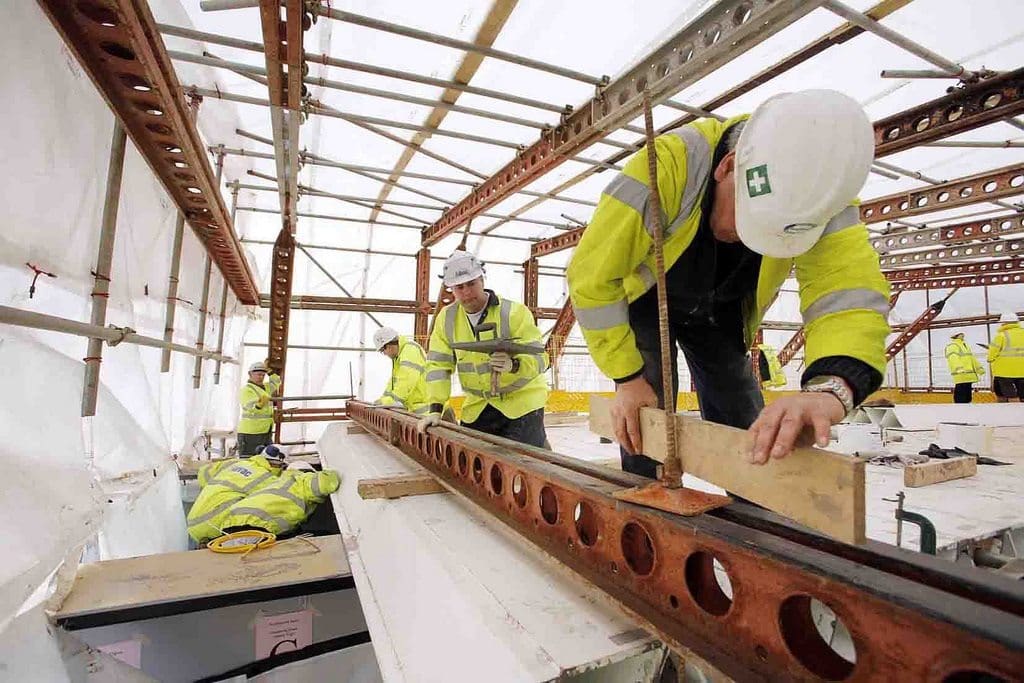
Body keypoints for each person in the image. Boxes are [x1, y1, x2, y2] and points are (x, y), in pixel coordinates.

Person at [567, 90, 890, 476]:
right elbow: (592, 275)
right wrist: (627, 376)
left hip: (721, 311)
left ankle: (752, 508)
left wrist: (833, 385)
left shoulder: (820, 197)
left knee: (743, 414)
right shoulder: (666, 166)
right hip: (650, 302)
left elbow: (846, 293)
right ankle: (643, 497)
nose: (748, 240)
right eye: (749, 220)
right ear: (728, 167)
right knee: (644, 414)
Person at [417, 250, 550, 447]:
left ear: (482, 280)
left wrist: (514, 365)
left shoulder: (513, 312)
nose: (467, 292)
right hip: (479, 405)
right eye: (459, 287)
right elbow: (438, 366)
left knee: (525, 464)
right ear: (451, 288)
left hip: (522, 402)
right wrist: (435, 409)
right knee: (473, 460)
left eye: (472, 284)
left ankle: (542, 450)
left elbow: (542, 358)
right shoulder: (447, 319)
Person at [186, 444, 287, 544]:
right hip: (216, 528)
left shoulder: (234, 463)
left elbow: (204, 472)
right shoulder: (269, 480)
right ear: (279, 463)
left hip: (193, 523)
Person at [218, 461, 341, 538]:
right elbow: (328, 481)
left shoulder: (279, 481)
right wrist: (332, 469)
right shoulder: (302, 480)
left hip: (230, 520)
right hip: (257, 525)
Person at [372, 326, 431, 414]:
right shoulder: (399, 356)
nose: (384, 354)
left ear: (388, 346)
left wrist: (390, 401)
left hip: (427, 411)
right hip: (417, 410)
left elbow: (406, 380)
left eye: (382, 350)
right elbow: (394, 383)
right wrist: (383, 399)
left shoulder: (410, 350)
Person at [237, 360, 281, 456]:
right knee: (249, 460)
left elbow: (276, 381)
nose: (261, 377)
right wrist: (259, 404)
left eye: (263, 375)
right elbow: (250, 407)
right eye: (258, 374)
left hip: (265, 431)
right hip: (250, 433)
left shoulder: (265, 387)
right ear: (250, 374)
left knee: (266, 458)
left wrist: (270, 371)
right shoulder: (247, 390)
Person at [989, 311, 1024, 402]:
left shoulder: (1001, 336)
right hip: (1022, 371)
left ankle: (1009, 414)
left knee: (1009, 395)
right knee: (1022, 395)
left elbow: (992, 352)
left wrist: (990, 359)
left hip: (1004, 372)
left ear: (1003, 323)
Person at [945, 332, 984, 403]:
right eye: (961, 334)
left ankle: (967, 410)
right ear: (955, 335)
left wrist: (979, 368)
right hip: (961, 374)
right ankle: (960, 410)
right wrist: (958, 368)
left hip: (968, 374)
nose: (963, 335)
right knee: (961, 395)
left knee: (967, 396)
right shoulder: (952, 346)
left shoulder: (964, 345)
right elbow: (953, 358)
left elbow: (972, 358)